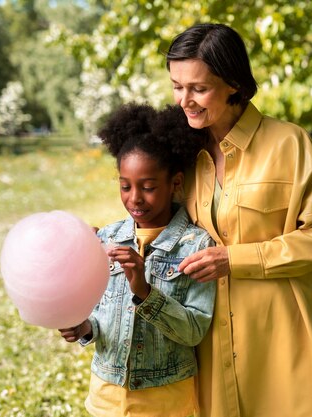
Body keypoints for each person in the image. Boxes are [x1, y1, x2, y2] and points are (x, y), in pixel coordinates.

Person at [166, 23, 312, 417]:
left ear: (233, 82)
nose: (185, 101)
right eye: (176, 86)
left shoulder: (289, 143)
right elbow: (166, 228)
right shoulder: (182, 151)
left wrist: (235, 259)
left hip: (286, 342)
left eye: (198, 88)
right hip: (211, 341)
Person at [58, 103, 216, 417]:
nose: (135, 199)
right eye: (125, 186)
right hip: (107, 400)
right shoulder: (106, 238)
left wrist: (144, 290)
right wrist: (84, 327)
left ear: (175, 183)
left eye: (148, 187)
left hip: (166, 403)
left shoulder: (197, 245)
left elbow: (193, 331)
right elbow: (102, 317)